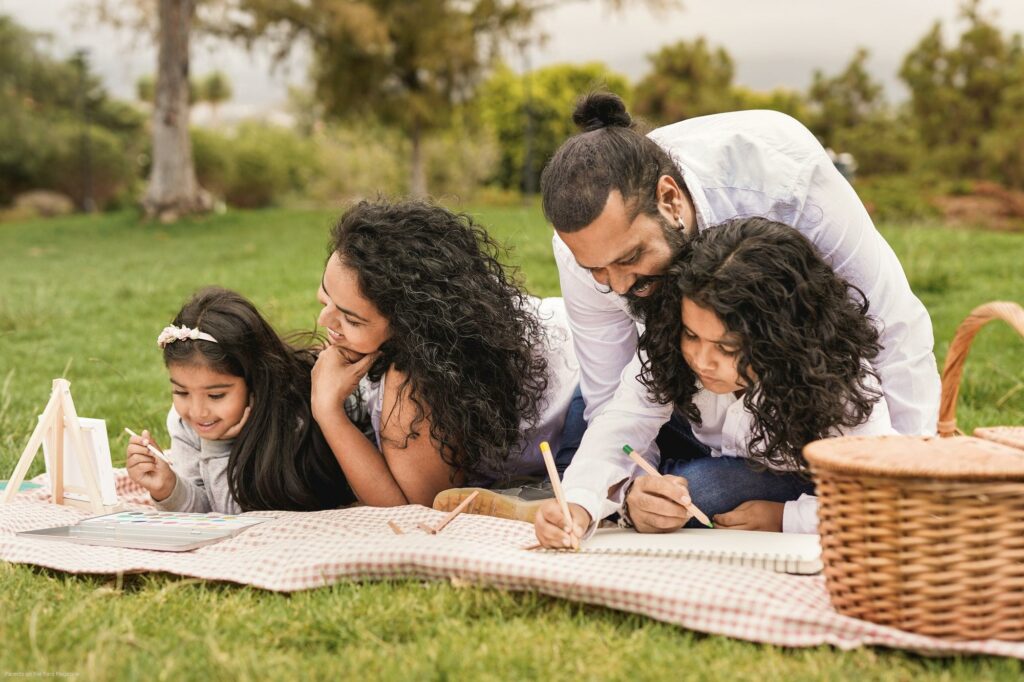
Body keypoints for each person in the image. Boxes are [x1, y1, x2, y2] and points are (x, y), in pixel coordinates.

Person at [533, 92, 940, 547]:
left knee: (705, 491)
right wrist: (613, 496)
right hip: (690, 415)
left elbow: (895, 329)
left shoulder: (785, 180)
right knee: (582, 434)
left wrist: (912, 483)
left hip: (794, 442)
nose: (620, 287)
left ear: (670, 200)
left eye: (631, 258)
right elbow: (617, 407)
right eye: (600, 272)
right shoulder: (613, 277)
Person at [613, 217, 894, 539]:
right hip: (689, 434)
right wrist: (629, 495)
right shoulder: (672, 344)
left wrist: (786, 518)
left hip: (779, 469)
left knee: (702, 493)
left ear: (782, 339)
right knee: (588, 412)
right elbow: (623, 423)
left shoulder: (841, 385)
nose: (702, 361)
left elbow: (882, 498)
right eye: (691, 334)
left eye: (728, 347)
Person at [310, 199, 582, 516]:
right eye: (327, 293)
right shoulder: (453, 315)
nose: (324, 320)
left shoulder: (415, 381)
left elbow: (413, 510)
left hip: (599, 384)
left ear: (411, 327)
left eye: (352, 320)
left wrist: (327, 411)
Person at [126, 287, 360, 513]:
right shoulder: (183, 422)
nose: (198, 412)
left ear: (255, 381)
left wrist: (217, 449)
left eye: (216, 395)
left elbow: (236, 514)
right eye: (181, 392)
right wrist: (168, 487)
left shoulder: (297, 412)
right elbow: (205, 511)